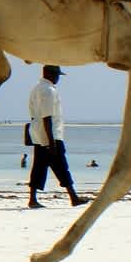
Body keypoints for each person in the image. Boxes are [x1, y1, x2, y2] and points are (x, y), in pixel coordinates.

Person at [26, 64, 84, 208]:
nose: (58, 78)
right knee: (62, 167)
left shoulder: (36, 88)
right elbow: (47, 117)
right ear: (51, 74)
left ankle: (33, 199)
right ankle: (74, 198)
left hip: (39, 135)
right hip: (49, 136)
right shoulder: (48, 91)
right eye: (57, 75)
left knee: (39, 167)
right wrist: (51, 143)